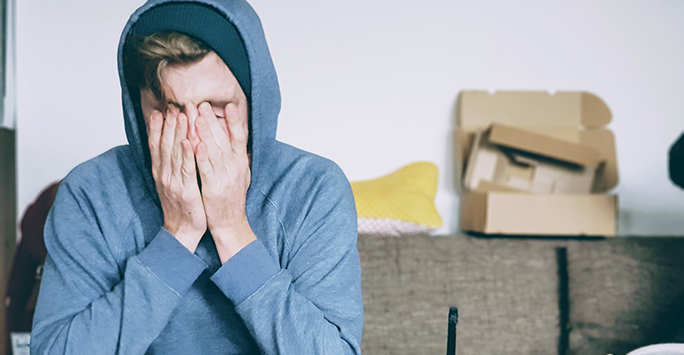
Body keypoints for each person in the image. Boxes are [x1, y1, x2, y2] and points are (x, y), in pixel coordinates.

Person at [30, 1, 363, 354]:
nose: (192, 136)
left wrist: (232, 230)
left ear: (254, 100)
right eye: (168, 110)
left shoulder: (314, 189)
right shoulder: (90, 193)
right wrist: (178, 235)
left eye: (216, 110)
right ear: (137, 108)